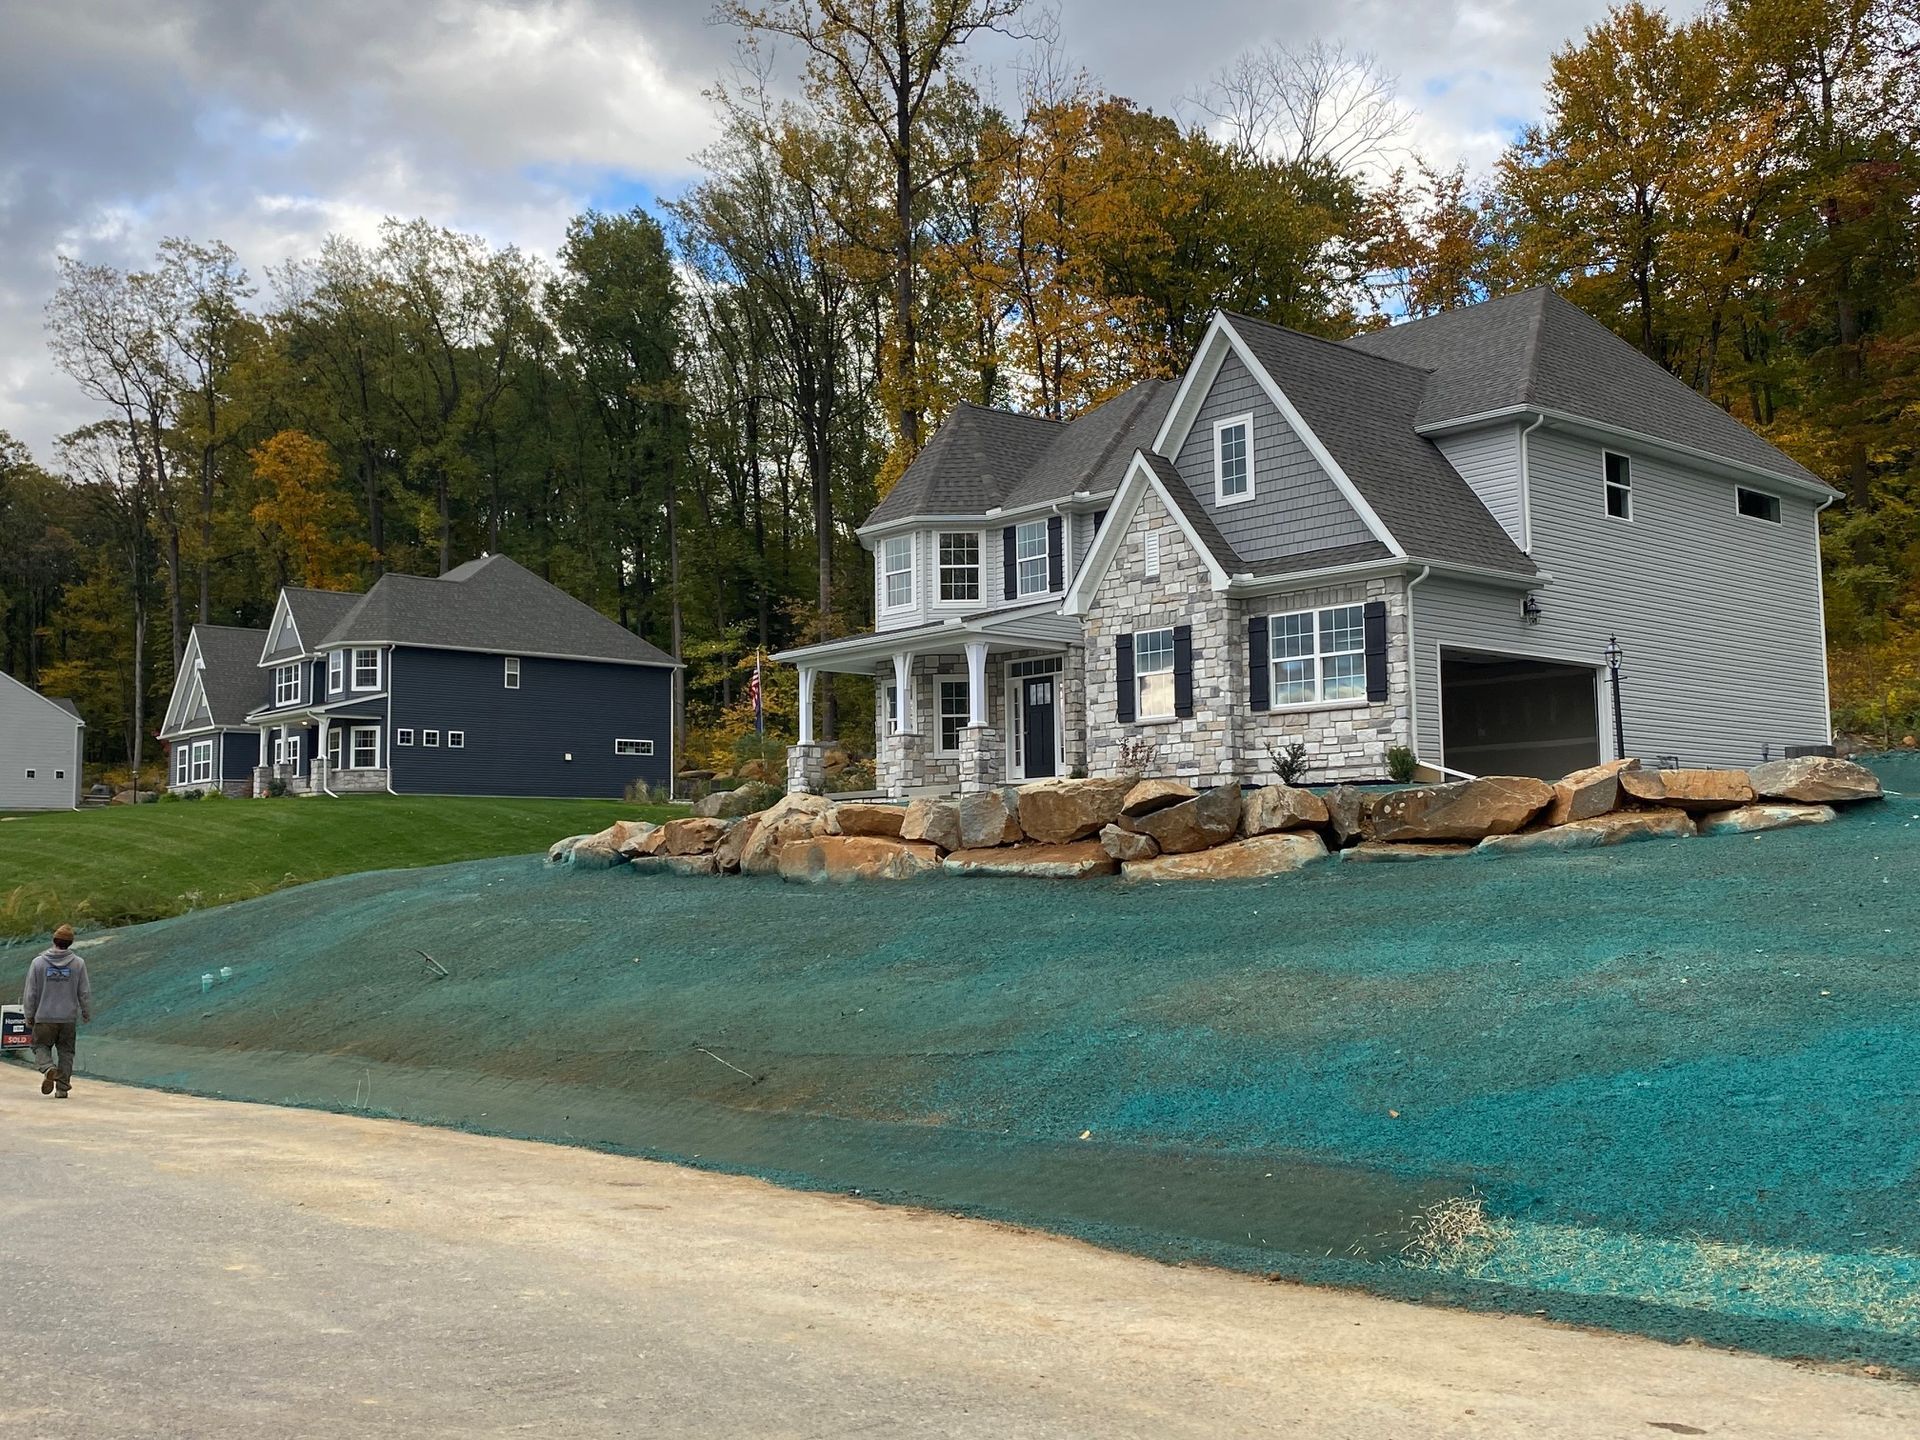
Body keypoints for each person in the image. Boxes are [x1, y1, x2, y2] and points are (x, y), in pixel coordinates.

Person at [22, 923, 91, 1099]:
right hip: (67, 1018)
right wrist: (85, 1011)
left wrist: (29, 1015)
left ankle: (48, 1068)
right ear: (70, 943)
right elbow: (84, 991)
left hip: (44, 1017)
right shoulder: (78, 963)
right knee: (66, 1052)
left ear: (54, 940)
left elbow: (31, 993)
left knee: (39, 1045)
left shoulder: (38, 963)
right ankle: (62, 1089)